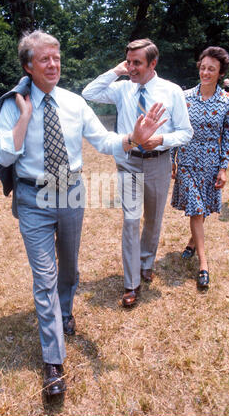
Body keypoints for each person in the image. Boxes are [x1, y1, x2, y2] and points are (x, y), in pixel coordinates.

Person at [0, 30, 166, 396]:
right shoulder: (12, 104)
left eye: (56, 57)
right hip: (33, 198)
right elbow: (4, 157)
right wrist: (24, 115)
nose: (53, 64)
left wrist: (132, 138)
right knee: (45, 278)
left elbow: (103, 141)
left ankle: (65, 310)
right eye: (44, 59)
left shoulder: (73, 102)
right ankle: (54, 363)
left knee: (68, 268)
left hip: (70, 193)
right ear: (28, 65)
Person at [82, 38, 193, 307]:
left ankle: (146, 262)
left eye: (137, 63)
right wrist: (117, 71)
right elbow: (88, 92)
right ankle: (131, 282)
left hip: (158, 162)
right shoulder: (122, 89)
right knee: (131, 219)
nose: (131, 68)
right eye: (128, 62)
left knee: (153, 219)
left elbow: (185, 132)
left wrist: (161, 141)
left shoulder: (172, 91)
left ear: (153, 64)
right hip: (128, 162)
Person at [171, 47, 229, 290]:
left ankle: (191, 243)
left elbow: (227, 138)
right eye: (203, 67)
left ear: (220, 74)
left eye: (212, 69)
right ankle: (203, 264)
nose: (205, 72)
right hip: (187, 159)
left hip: (210, 163)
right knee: (196, 209)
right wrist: (172, 160)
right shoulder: (185, 97)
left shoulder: (227, 103)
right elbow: (175, 130)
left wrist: (223, 168)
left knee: (203, 208)